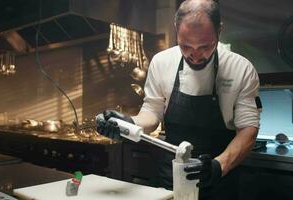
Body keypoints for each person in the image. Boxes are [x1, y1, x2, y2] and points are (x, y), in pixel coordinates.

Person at [96, 0, 261, 199]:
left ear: (219, 30)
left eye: (205, 46)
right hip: (171, 179)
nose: (195, 55)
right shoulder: (162, 62)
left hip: (219, 179)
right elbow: (152, 112)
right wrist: (128, 123)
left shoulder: (241, 69)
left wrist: (219, 166)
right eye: (186, 46)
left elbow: (248, 131)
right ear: (176, 31)